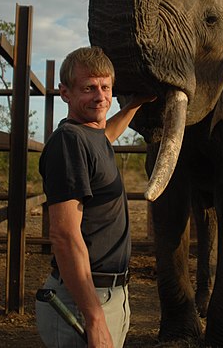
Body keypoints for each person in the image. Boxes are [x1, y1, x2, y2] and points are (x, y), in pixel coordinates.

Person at [36, 46, 155, 348]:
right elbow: (64, 235)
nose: (100, 96)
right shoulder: (70, 142)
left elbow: (107, 133)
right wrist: (95, 319)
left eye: (105, 87)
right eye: (88, 88)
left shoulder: (92, 136)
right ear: (65, 93)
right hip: (84, 300)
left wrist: (135, 104)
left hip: (110, 294)